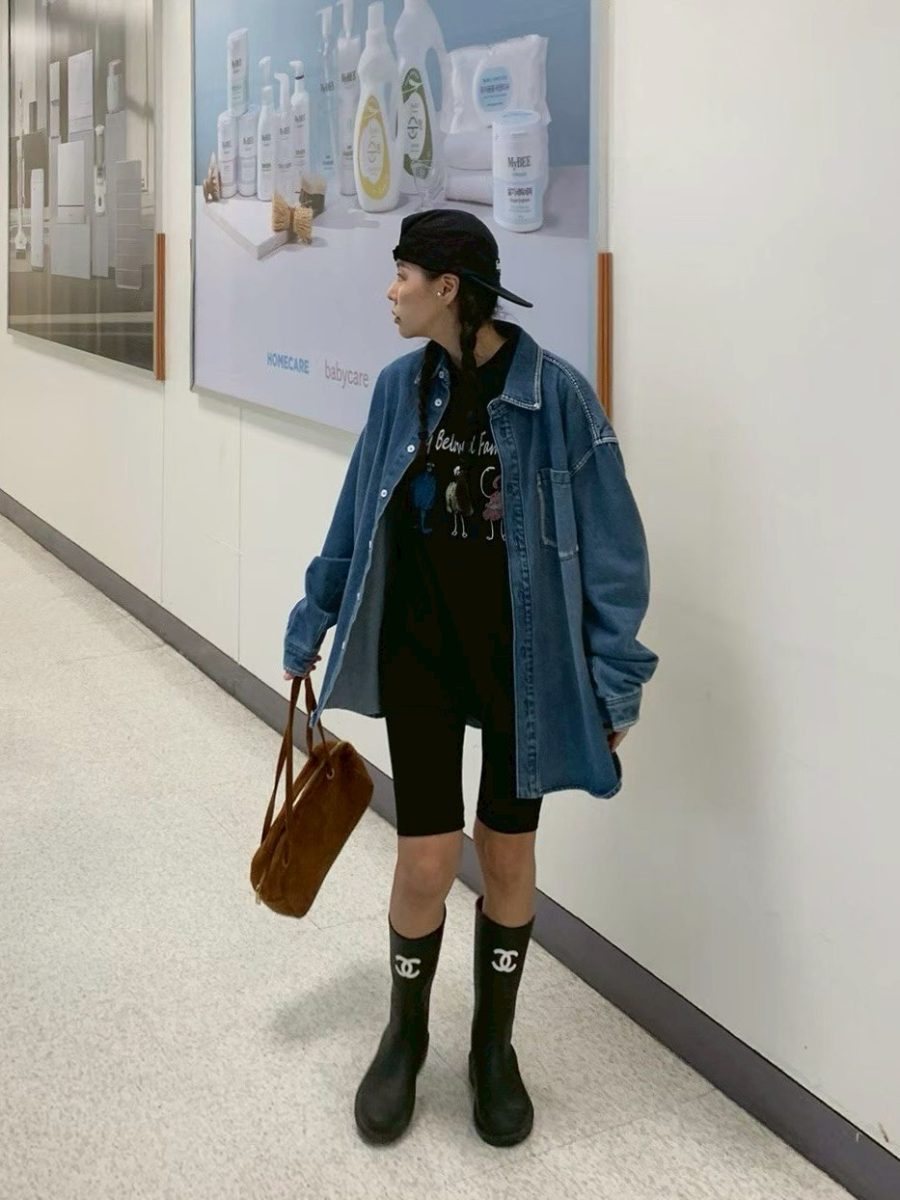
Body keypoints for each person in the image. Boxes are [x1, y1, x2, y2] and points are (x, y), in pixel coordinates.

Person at [283, 209, 658, 1148]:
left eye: (402, 274)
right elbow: (353, 516)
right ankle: (404, 1037)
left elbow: (616, 553)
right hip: (418, 654)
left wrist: (614, 680)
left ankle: (494, 1047)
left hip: (520, 668)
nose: (390, 291)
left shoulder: (555, 397)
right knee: (423, 859)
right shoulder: (397, 390)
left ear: (448, 287)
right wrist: (312, 617)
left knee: (508, 857)